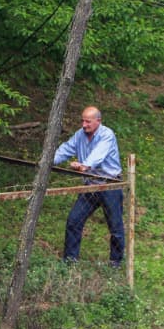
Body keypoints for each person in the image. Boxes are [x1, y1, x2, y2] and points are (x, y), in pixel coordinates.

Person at [53, 106, 125, 267]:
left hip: (109, 185)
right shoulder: (80, 135)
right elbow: (66, 149)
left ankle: (115, 263)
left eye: (88, 122)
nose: (84, 125)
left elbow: (98, 155)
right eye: (83, 121)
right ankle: (70, 261)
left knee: (115, 226)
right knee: (74, 221)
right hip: (90, 186)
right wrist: (49, 160)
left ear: (98, 121)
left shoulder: (107, 135)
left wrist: (84, 165)